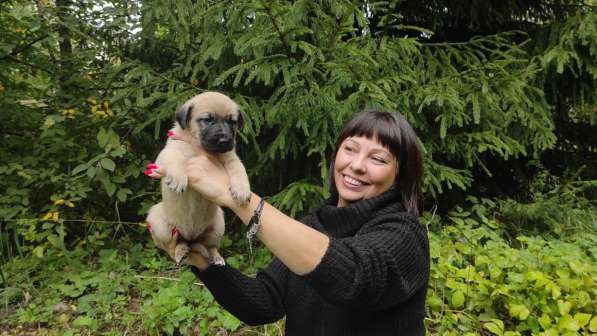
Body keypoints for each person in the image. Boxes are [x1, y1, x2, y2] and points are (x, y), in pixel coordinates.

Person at [149, 110, 429, 335]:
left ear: (400, 174)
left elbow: (352, 277)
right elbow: (264, 302)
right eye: (350, 149)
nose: (356, 165)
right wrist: (201, 260)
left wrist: (236, 196)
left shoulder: (405, 233)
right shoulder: (312, 226)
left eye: (377, 158)